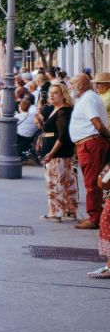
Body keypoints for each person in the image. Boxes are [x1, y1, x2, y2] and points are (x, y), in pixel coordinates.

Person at [69, 74, 110, 229]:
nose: (70, 86)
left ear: (80, 85)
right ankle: (95, 215)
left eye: (72, 83)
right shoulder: (86, 98)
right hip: (88, 144)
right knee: (92, 181)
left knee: (92, 183)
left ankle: (95, 218)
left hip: (91, 144)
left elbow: (97, 124)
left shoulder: (88, 99)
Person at [39, 84, 78, 222]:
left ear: (63, 95)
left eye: (55, 93)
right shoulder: (55, 109)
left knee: (55, 182)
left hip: (57, 153)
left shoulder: (62, 111)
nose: (51, 95)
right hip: (61, 152)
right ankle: (69, 210)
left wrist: (51, 153)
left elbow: (62, 136)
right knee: (67, 182)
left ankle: (55, 213)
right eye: (50, 92)